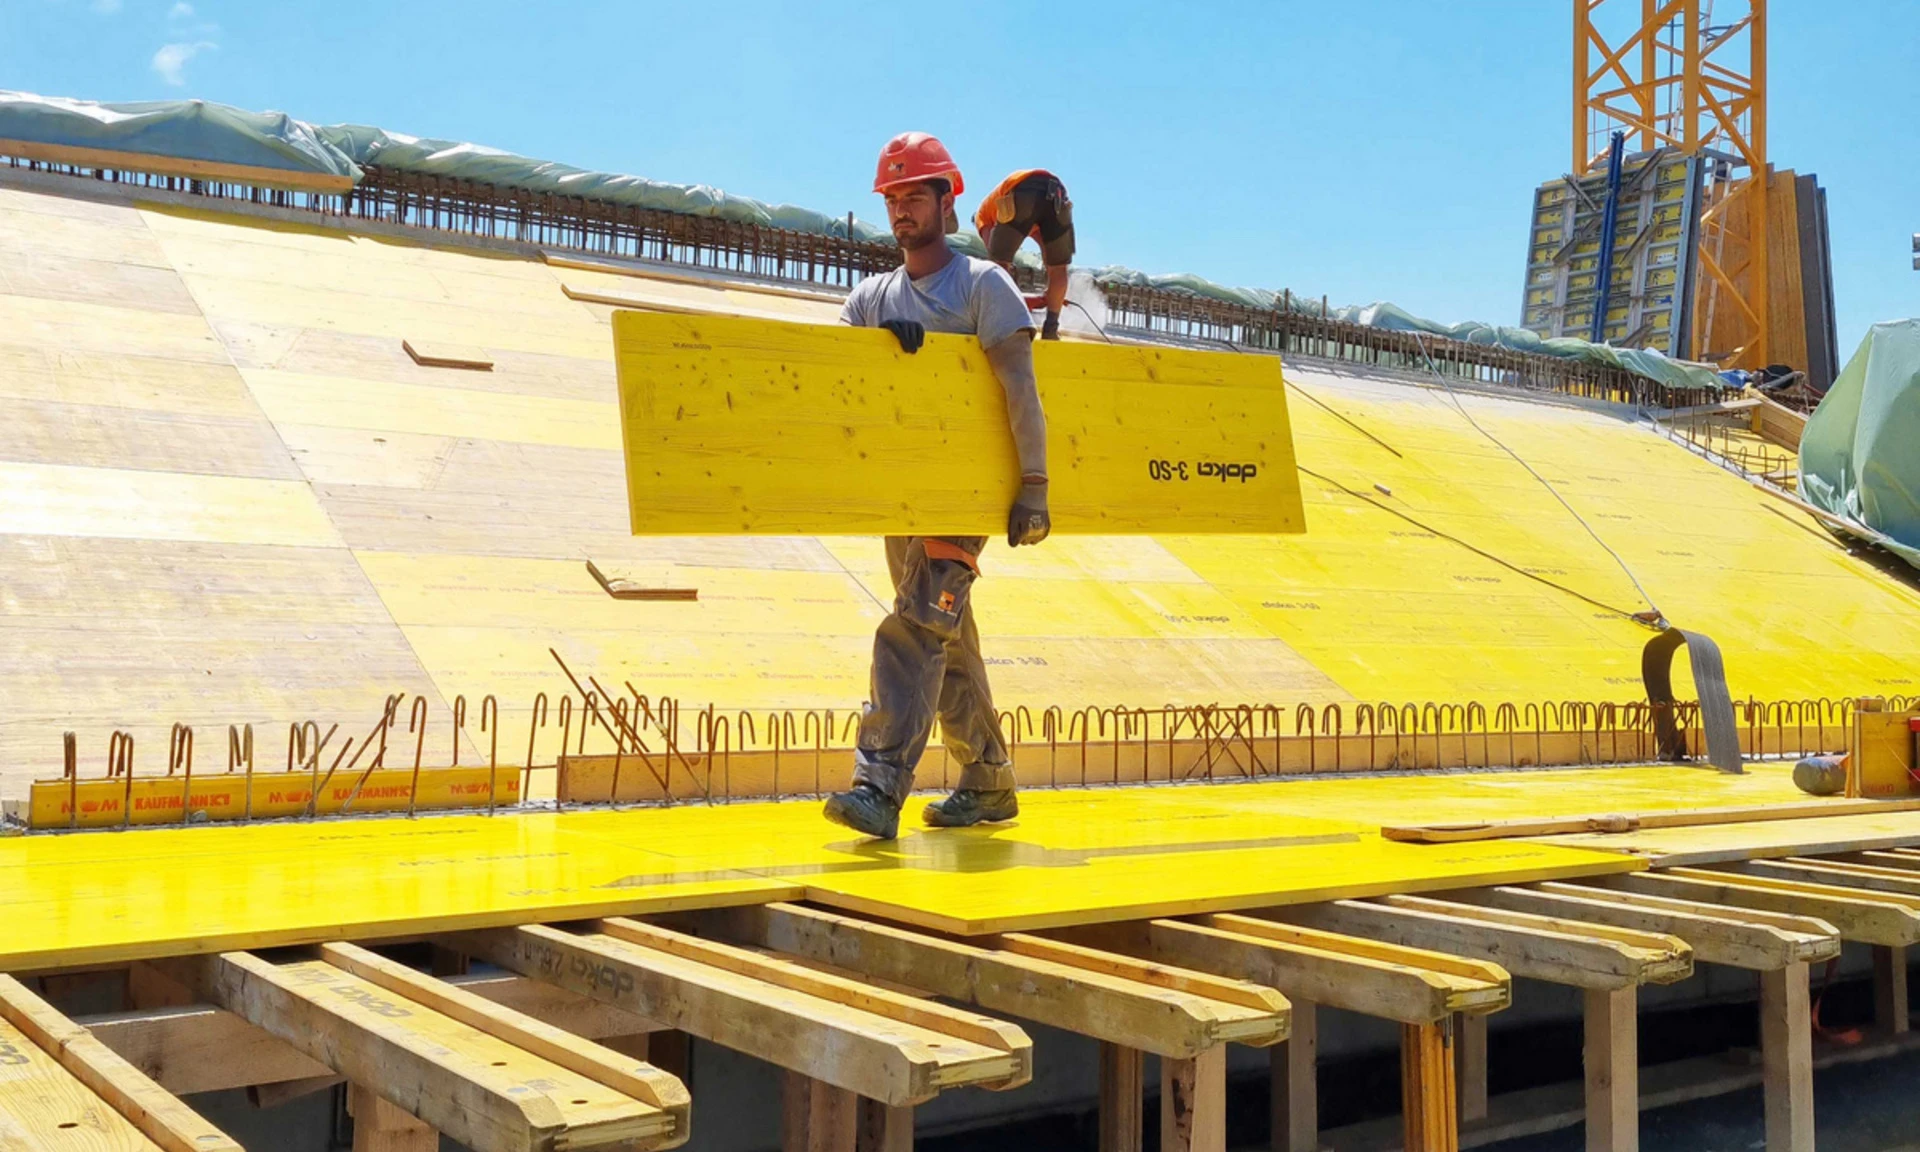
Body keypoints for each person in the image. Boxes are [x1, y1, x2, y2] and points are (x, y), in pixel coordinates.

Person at [822, 132, 1052, 840]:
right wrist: (882, 353)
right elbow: (837, 384)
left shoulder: (982, 285)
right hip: (901, 495)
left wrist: (1034, 487)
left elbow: (1020, 386)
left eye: (914, 195)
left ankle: (879, 785)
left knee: (916, 627)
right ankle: (987, 781)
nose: (901, 210)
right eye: (892, 199)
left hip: (961, 494)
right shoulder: (869, 298)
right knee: (946, 638)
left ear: (947, 200)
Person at [973, 169, 1076, 340]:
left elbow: (997, 265)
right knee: (1058, 268)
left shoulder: (982, 217)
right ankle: (1051, 328)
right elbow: (1047, 249)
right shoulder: (1028, 223)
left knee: (998, 265)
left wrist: (1010, 283)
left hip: (1024, 188)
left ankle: (1002, 323)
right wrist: (1049, 296)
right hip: (1057, 193)